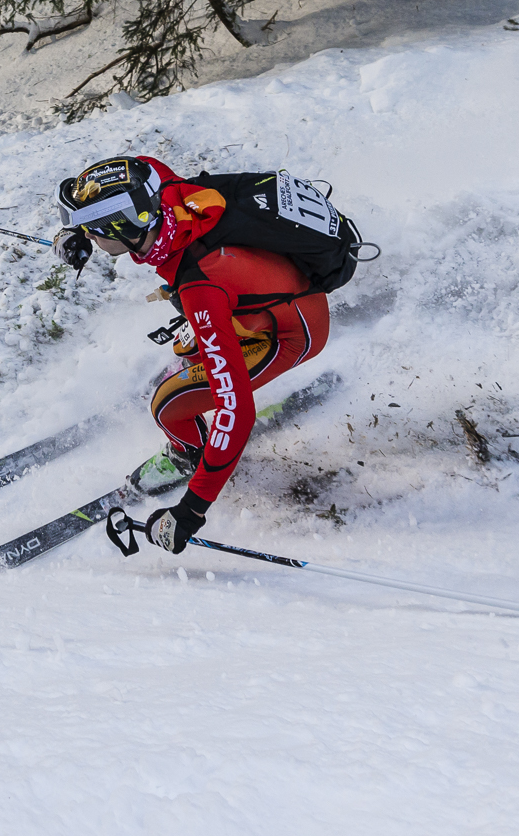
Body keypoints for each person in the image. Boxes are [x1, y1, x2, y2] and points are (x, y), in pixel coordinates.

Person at [53, 157, 356, 555]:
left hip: (291, 333)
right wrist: (74, 233)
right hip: (271, 300)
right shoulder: (165, 188)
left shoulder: (200, 289)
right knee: (186, 346)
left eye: (91, 232)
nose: (87, 238)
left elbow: (237, 410)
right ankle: (210, 357)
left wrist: (190, 512)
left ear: (120, 228)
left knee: (167, 407)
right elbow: (137, 166)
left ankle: (186, 456)